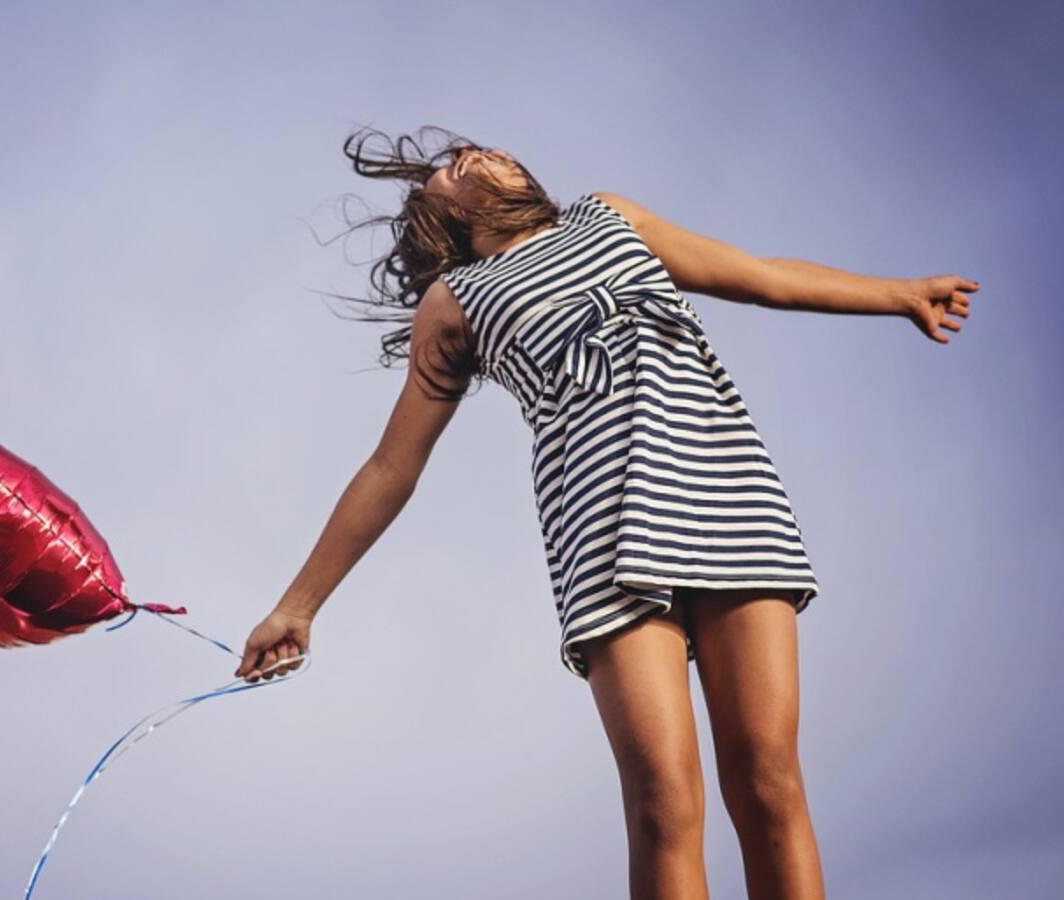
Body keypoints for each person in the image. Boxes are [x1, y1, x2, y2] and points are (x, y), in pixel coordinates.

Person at [233, 126, 979, 899]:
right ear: (439, 216)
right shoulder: (455, 302)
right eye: (452, 168)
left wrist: (898, 294)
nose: (475, 155)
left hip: (727, 493)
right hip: (601, 534)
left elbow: (756, 276)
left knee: (767, 777)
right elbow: (392, 467)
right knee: (663, 801)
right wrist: (298, 605)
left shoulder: (608, 218)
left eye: (478, 147)